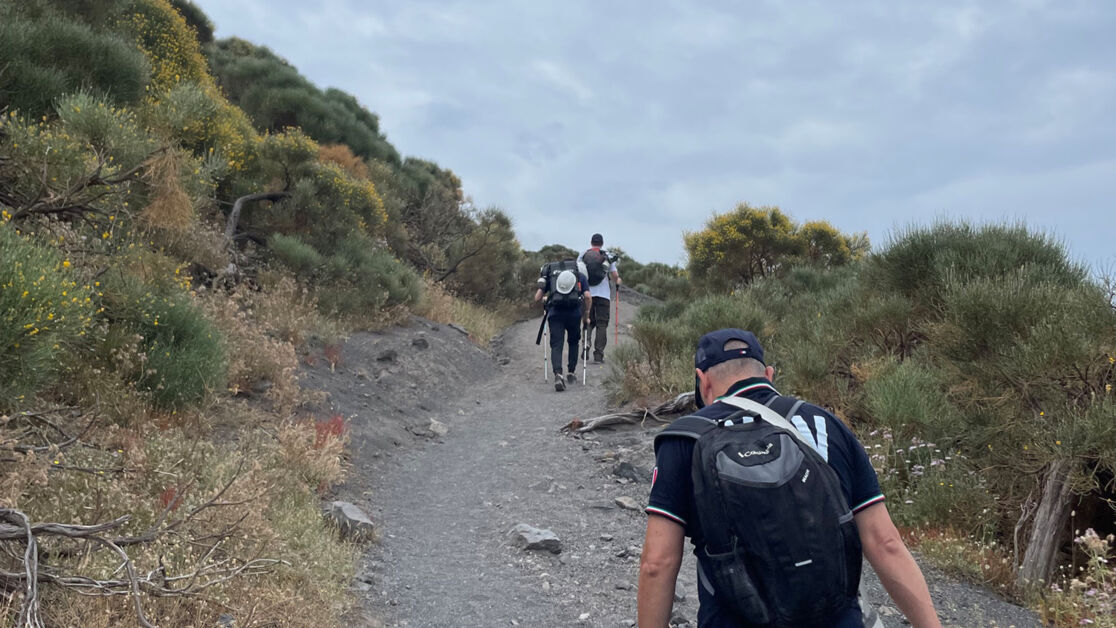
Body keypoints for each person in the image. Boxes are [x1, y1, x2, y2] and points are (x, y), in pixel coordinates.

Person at [637, 329, 941, 628]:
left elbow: (657, 563)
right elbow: (884, 542)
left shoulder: (684, 438)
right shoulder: (827, 425)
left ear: (703, 382)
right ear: (769, 375)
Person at [534, 259, 591, 391]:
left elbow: (537, 297)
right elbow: (587, 296)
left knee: (556, 344)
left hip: (555, 315)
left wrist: (543, 290)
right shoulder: (579, 276)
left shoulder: (552, 276)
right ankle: (571, 372)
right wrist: (586, 314)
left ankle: (558, 375)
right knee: (573, 342)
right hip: (574, 314)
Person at [576, 233, 621, 363]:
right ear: (602, 243)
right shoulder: (607, 255)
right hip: (603, 295)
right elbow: (614, 276)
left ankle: (586, 344)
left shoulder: (583, 254)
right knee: (602, 324)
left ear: (591, 242)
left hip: (587, 294)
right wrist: (618, 280)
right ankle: (598, 355)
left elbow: (578, 271)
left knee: (588, 320)